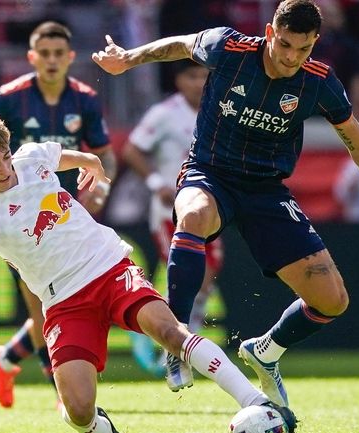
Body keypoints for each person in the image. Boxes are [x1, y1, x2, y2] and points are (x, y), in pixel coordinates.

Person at [92, 0, 359, 407]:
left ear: (314, 43)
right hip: (209, 172)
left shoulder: (319, 81)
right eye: (286, 45)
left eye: (303, 49)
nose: (292, 57)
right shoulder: (228, 47)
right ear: (271, 32)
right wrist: (128, 58)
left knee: (332, 300)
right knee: (193, 214)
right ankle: (177, 341)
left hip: (266, 190)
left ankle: (267, 350)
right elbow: (181, 46)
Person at [0, 110, 295, 433]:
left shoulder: (33, 157)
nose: (4, 168)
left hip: (107, 267)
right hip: (63, 302)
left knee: (171, 332)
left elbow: (83, 158)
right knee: (77, 411)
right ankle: (96, 426)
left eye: (5, 156)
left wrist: (94, 168)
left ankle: (259, 405)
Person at [0, 21, 117, 408]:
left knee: (64, 303)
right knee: (44, 306)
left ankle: (4, 359)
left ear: (69, 58)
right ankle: (60, 392)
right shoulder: (9, 98)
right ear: (32, 58)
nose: (51, 61)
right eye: (43, 54)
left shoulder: (84, 98)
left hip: (67, 215)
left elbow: (103, 151)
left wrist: (98, 189)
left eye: (58, 54)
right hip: (18, 219)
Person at [122, 60, 223, 377]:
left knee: (205, 281)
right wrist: (157, 184)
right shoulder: (164, 114)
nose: (198, 83)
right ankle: (176, 354)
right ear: (178, 80)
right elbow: (132, 150)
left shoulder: (220, 111)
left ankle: (155, 331)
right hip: (172, 211)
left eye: (204, 77)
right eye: (191, 76)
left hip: (212, 209)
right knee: (190, 277)